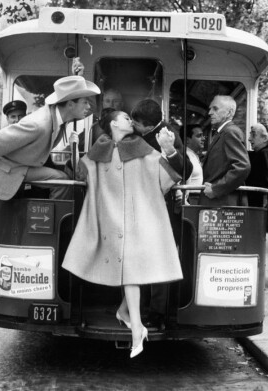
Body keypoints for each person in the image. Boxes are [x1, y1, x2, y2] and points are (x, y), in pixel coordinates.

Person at [62, 109, 183, 358]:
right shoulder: (99, 149)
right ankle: (136, 327)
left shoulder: (141, 146)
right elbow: (79, 174)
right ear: (114, 124)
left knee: (139, 268)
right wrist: (72, 147)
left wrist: (169, 150)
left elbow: (168, 175)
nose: (130, 121)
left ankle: (125, 314)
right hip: (111, 221)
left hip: (139, 219)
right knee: (133, 270)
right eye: (126, 117)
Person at [0, 75, 100, 200]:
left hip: (23, 166)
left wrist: (79, 75)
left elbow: (88, 112)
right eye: (85, 102)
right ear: (70, 104)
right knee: (61, 180)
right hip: (9, 170)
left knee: (62, 177)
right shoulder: (38, 124)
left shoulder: (60, 117)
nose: (88, 107)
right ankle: (52, 225)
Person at [131, 98, 192, 330]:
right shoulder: (146, 132)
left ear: (146, 125)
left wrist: (169, 150)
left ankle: (158, 313)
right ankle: (146, 308)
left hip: (159, 210)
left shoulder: (168, 135)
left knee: (156, 261)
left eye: (136, 123)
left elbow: (187, 169)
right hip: (143, 207)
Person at [200, 95, 251, 206]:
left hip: (224, 203)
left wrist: (216, 189)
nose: (210, 112)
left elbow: (242, 166)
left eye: (215, 108)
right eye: (210, 108)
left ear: (229, 112)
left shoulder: (230, 132)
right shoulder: (223, 132)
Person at [246, 123, 268, 206]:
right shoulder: (260, 153)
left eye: (253, 135)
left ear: (264, 138)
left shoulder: (266, 154)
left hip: (257, 205)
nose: (249, 139)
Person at [176, 124, 205, 205]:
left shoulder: (193, 155)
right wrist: (184, 203)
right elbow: (176, 181)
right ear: (187, 140)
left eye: (203, 135)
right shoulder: (184, 155)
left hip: (196, 200)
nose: (203, 139)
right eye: (199, 136)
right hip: (189, 201)